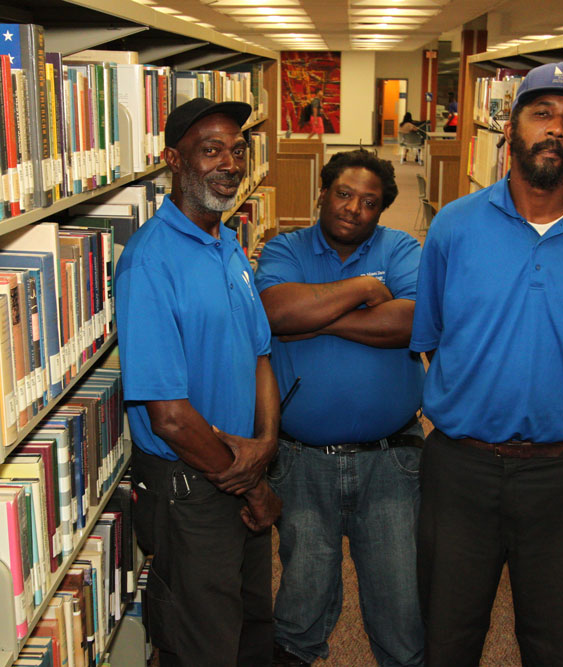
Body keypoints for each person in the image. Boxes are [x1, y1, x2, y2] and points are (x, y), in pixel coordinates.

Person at [411, 61, 563, 667]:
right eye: (542, 113)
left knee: (556, 645)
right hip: (461, 469)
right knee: (448, 639)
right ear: (510, 126)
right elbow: (434, 336)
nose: (556, 130)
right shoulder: (454, 225)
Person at [115, 97, 282, 667]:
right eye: (211, 150)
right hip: (192, 485)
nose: (230, 164)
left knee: (252, 622)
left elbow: (262, 354)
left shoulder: (229, 241)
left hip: (240, 466)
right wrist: (253, 484)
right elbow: (169, 416)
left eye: (238, 150)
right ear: (173, 160)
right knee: (201, 640)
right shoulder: (149, 262)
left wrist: (265, 446)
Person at [255, 149, 426, 667]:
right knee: (302, 589)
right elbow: (276, 312)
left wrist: (319, 315)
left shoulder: (402, 248)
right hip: (301, 458)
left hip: (391, 458)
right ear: (322, 194)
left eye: (370, 202)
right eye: (344, 194)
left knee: (400, 593)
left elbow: (413, 323)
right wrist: (362, 289)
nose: (354, 208)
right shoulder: (284, 247)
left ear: (381, 211)